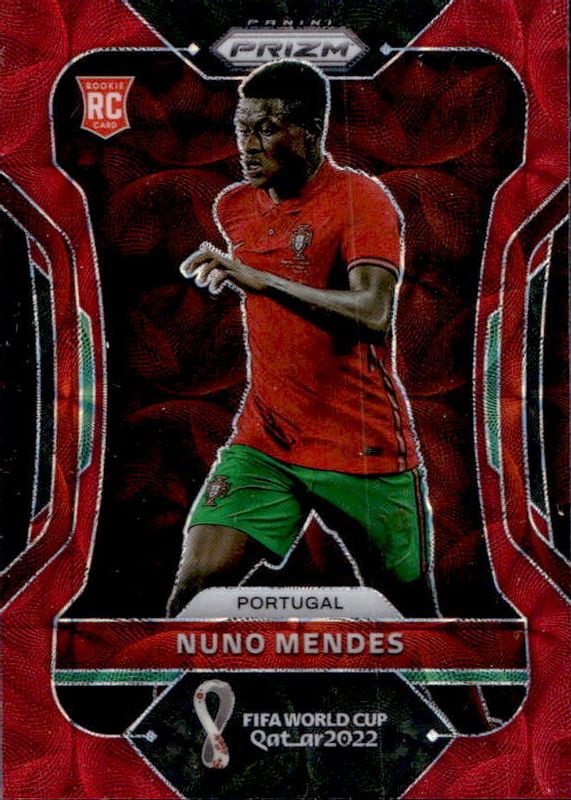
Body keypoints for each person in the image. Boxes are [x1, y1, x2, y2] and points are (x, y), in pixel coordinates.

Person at [167, 58, 434, 621]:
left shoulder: (362, 200)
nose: (247, 145)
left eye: (266, 129)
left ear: (310, 132)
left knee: (411, 619)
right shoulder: (234, 207)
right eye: (242, 128)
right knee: (193, 596)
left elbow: (374, 313)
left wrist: (260, 281)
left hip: (363, 448)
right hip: (266, 442)